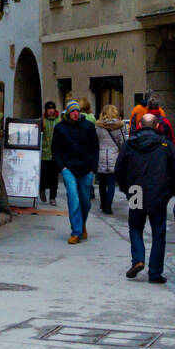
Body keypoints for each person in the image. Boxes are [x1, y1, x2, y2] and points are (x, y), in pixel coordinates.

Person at [114, 112, 175, 283]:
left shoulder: (130, 144)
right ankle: (155, 272)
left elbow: (120, 169)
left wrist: (126, 189)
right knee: (158, 232)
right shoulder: (166, 145)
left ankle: (138, 258)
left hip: (136, 191)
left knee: (135, 227)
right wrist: (170, 192)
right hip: (158, 193)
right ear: (158, 126)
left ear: (139, 126)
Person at [52, 100, 99, 244]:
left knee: (85, 201)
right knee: (73, 197)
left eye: (77, 111)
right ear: (67, 113)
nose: (75, 113)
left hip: (86, 168)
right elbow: (56, 149)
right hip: (68, 168)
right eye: (72, 111)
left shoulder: (89, 127)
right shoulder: (60, 128)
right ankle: (76, 231)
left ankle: (82, 223)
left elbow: (95, 148)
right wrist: (62, 167)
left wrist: (93, 169)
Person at [95, 104, 126, 214]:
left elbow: (95, 141)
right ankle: (108, 206)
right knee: (112, 183)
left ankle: (103, 203)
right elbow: (123, 143)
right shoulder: (120, 127)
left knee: (102, 183)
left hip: (101, 156)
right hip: (114, 157)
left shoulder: (98, 126)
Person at [39, 101, 61, 205]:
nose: (51, 110)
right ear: (46, 110)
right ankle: (42, 189)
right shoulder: (42, 120)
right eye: (49, 109)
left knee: (54, 177)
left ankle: (53, 197)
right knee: (44, 174)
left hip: (56, 153)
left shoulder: (59, 120)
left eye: (53, 108)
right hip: (45, 153)